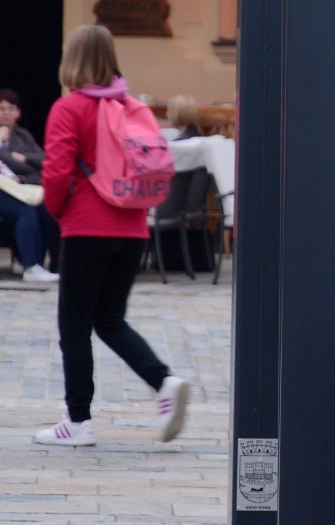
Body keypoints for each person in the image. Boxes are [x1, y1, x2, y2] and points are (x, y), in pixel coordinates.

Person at [37, 24, 190, 446]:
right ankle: (164, 382)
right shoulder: (134, 108)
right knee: (108, 319)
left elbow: (55, 174)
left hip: (87, 228)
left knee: (75, 324)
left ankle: (79, 422)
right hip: (134, 227)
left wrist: (56, 213)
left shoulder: (70, 108)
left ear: (72, 59)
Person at [0, 88, 62, 277]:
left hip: (23, 188)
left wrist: (25, 159)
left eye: (10, 108)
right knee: (26, 211)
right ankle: (31, 266)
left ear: (18, 112)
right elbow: (6, 160)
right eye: (1, 109)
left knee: (48, 210)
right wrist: (5, 149)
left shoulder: (23, 135)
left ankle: (54, 265)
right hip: (3, 191)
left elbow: (44, 160)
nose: (6, 113)